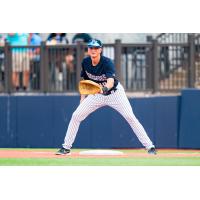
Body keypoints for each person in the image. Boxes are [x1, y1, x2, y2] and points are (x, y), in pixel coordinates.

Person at [56, 39, 157, 155]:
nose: (93, 50)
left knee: (130, 117)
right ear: (88, 50)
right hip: (96, 95)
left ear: (100, 50)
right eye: (91, 48)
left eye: (96, 48)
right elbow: (84, 82)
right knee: (76, 115)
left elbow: (110, 81)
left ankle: (150, 147)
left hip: (115, 94)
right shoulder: (85, 62)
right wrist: (82, 98)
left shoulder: (107, 62)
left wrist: (103, 89)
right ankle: (66, 147)